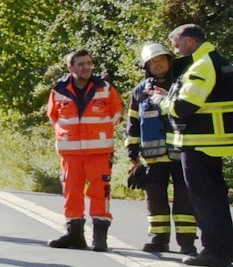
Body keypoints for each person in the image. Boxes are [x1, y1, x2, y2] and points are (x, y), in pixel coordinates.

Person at [165, 24, 233, 267]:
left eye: (177, 42)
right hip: (212, 141)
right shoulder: (217, 61)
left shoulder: (203, 64)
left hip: (200, 142)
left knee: (205, 199)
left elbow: (184, 106)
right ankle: (222, 249)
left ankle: (214, 252)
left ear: (191, 41)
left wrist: (163, 101)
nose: (175, 47)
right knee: (215, 198)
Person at [45, 49, 124, 251]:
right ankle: (74, 236)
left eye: (89, 63)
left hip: (99, 152)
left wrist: (100, 131)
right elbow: (53, 116)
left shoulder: (104, 88)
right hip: (70, 153)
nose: (86, 67)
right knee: (72, 193)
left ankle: (100, 238)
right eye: (81, 64)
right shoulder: (59, 90)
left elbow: (117, 112)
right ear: (71, 68)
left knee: (100, 193)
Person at [126, 41, 195, 255]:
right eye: (152, 62)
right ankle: (158, 239)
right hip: (153, 158)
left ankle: (187, 242)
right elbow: (133, 124)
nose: (157, 65)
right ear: (146, 66)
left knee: (185, 199)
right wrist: (133, 156)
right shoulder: (140, 91)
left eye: (160, 60)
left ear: (169, 60)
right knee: (155, 199)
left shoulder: (183, 85)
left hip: (181, 154)